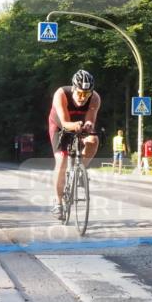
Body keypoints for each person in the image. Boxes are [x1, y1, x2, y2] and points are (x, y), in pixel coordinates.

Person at [48, 69, 101, 216]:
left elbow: (90, 119)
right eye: (79, 93)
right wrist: (75, 125)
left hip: (79, 124)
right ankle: (58, 203)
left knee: (93, 140)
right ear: (73, 89)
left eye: (86, 94)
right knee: (62, 160)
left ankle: (80, 170)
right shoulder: (61, 95)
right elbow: (65, 123)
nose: (83, 97)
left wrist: (89, 125)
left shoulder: (95, 98)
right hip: (60, 126)